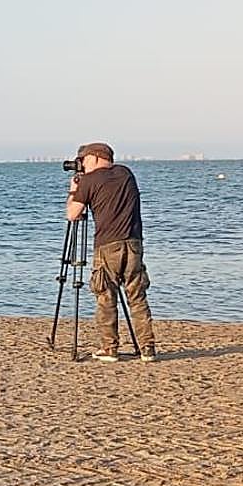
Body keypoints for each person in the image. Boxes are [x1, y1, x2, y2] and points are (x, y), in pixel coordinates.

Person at [66, 142, 157, 362]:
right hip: (134, 243)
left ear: (95, 158)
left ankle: (109, 348)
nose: (81, 164)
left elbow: (72, 214)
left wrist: (74, 189)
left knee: (105, 296)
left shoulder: (89, 180)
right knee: (137, 296)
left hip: (107, 245)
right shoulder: (126, 174)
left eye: (84, 159)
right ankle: (147, 348)